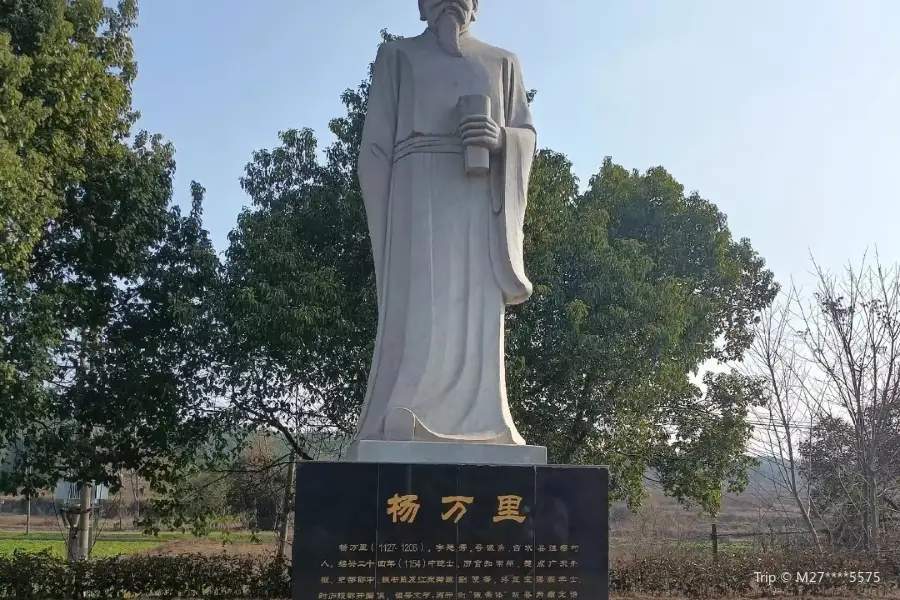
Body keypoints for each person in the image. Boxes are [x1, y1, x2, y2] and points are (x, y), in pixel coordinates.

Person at [354, 0, 537, 446]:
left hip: (478, 202)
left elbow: (525, 135)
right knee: (420, 305)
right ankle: (403, 408)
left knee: (474, 308)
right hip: (416, 202)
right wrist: (388, 221)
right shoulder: (397, 56)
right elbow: (374, 151)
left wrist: (501, 143)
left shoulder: (502, 62)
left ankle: (485, 421)